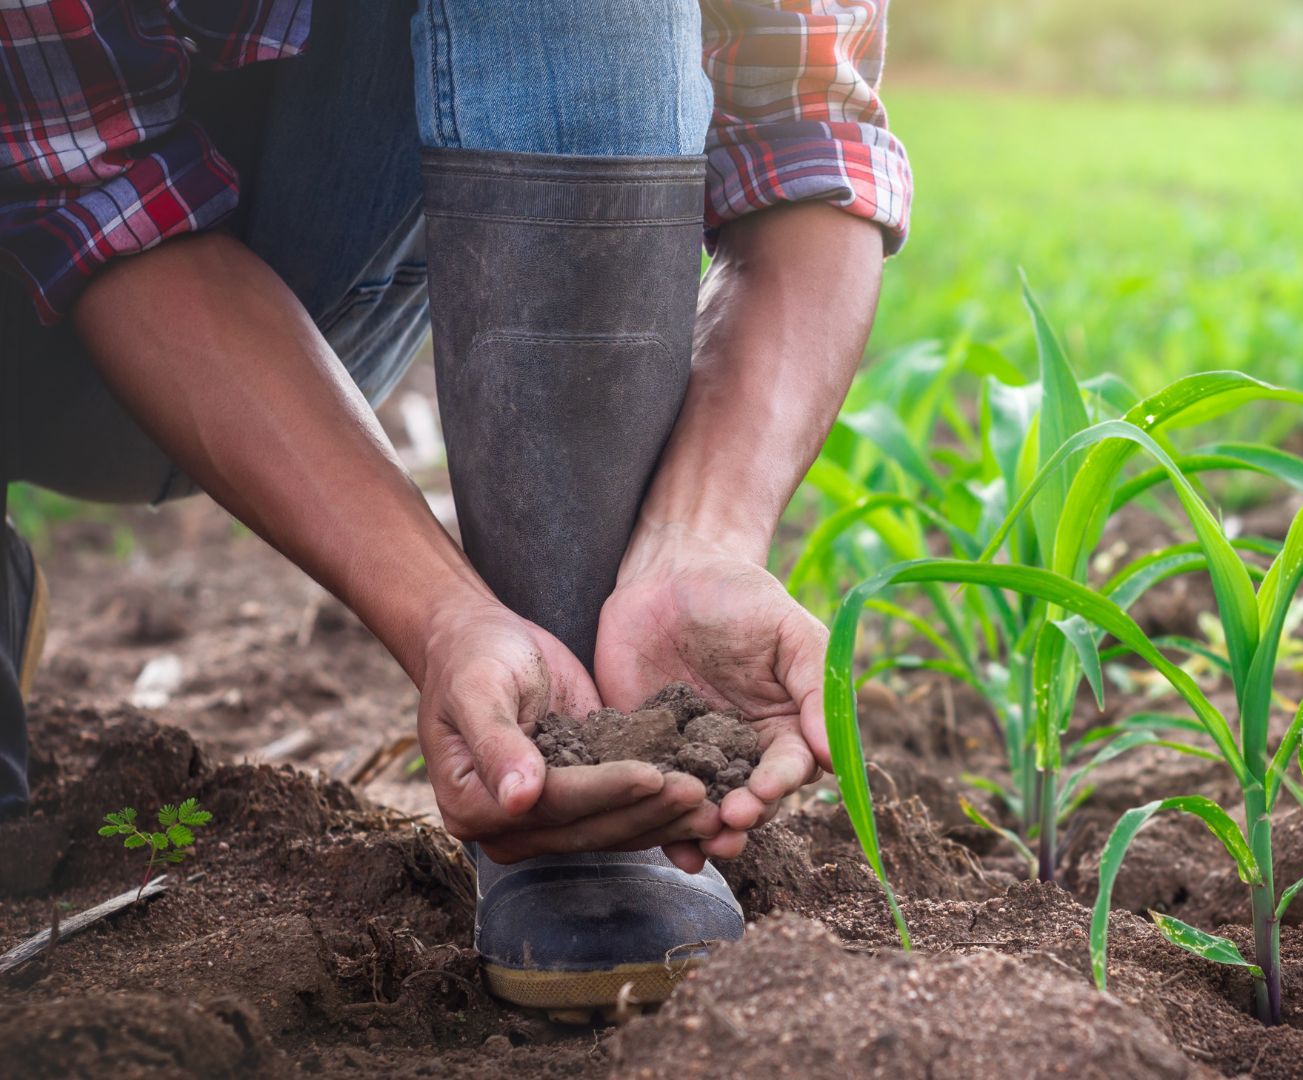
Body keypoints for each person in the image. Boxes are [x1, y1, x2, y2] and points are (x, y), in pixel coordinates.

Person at [0, 0, 907, 1018]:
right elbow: (81, 187)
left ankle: (570, 708)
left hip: (295, 273)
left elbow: (809, 135)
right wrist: (435, 614)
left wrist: (701, 536)